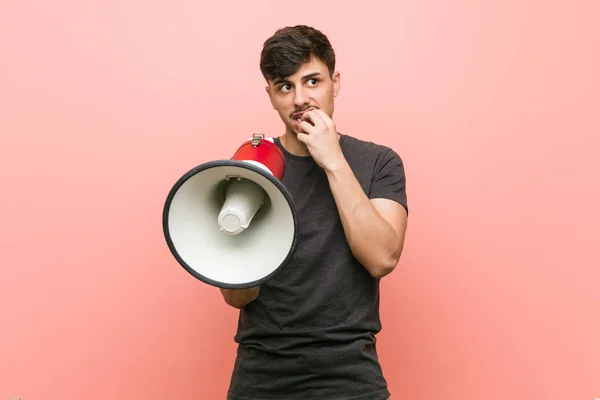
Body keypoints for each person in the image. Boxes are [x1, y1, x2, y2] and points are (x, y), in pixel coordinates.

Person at [220, 25, 408, 400]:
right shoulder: (250, 166)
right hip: (262, 378)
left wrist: (332, 160)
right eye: (285, 87)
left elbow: (381, 258)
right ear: (270, 95)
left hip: (350, 377)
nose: (300, 99)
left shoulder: (379, 162)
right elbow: (237, 298)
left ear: (335, 82)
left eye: (312, 81)